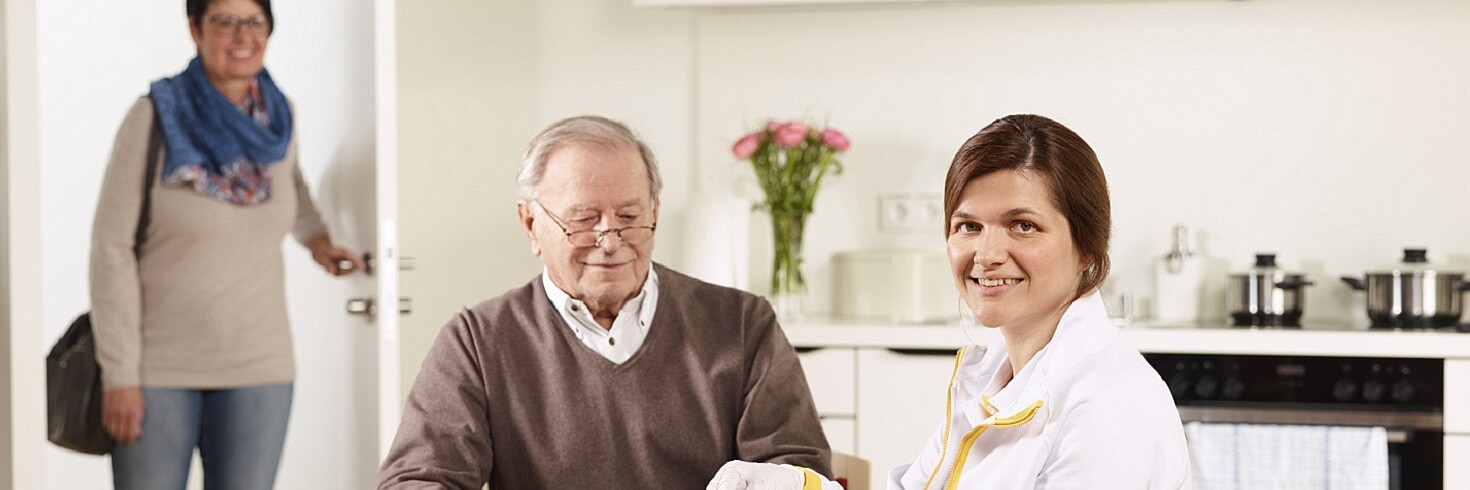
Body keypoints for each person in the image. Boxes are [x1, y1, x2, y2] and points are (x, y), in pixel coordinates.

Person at [708, 115, 1192, 489]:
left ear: (1088, 247)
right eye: (968, 226)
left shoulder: (1108, 401)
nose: (986, 254)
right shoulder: (990, 377)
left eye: (1022, 225)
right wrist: (800, 484)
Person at [376, 115, 832, 489]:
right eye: (584, 219)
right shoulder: (477, 341)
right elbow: (419, 479)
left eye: (630, 216)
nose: (610, 240)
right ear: (531, 223)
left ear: (655, 208)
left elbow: (800, 472)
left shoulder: (742, 324)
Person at [90, 0, 364, 488]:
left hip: (259, 364)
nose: (243, 35)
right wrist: (120, 375)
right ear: (195, 29)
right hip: (157, 369)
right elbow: (110, 249)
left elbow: (292, 190)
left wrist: (319, 241)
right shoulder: (153, 116)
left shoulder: (280, 118)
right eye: (225, 21)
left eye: (255, 21)